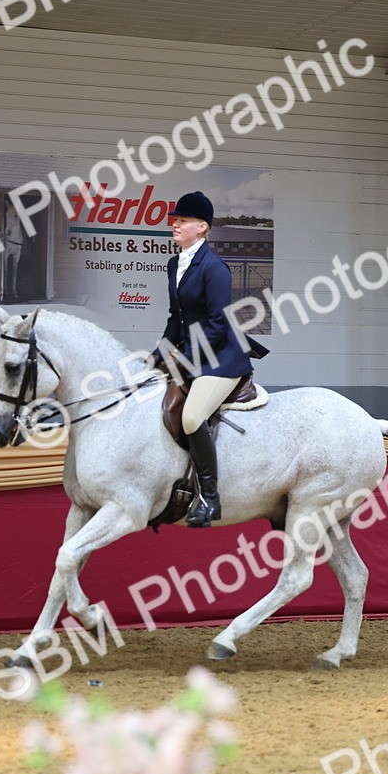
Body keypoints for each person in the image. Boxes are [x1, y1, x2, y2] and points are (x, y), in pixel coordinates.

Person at [149, 191, 258, 527]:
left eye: (182, 221)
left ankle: (210, 498)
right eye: (175, 220)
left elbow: (218, 324)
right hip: (192, 353)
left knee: (193, 416)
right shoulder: (174, 264)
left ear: (202, 227)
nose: (175, 225)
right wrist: (157, 355)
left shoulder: (215, 268)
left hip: (221, 357)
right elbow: (176, 318)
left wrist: (185, 357)